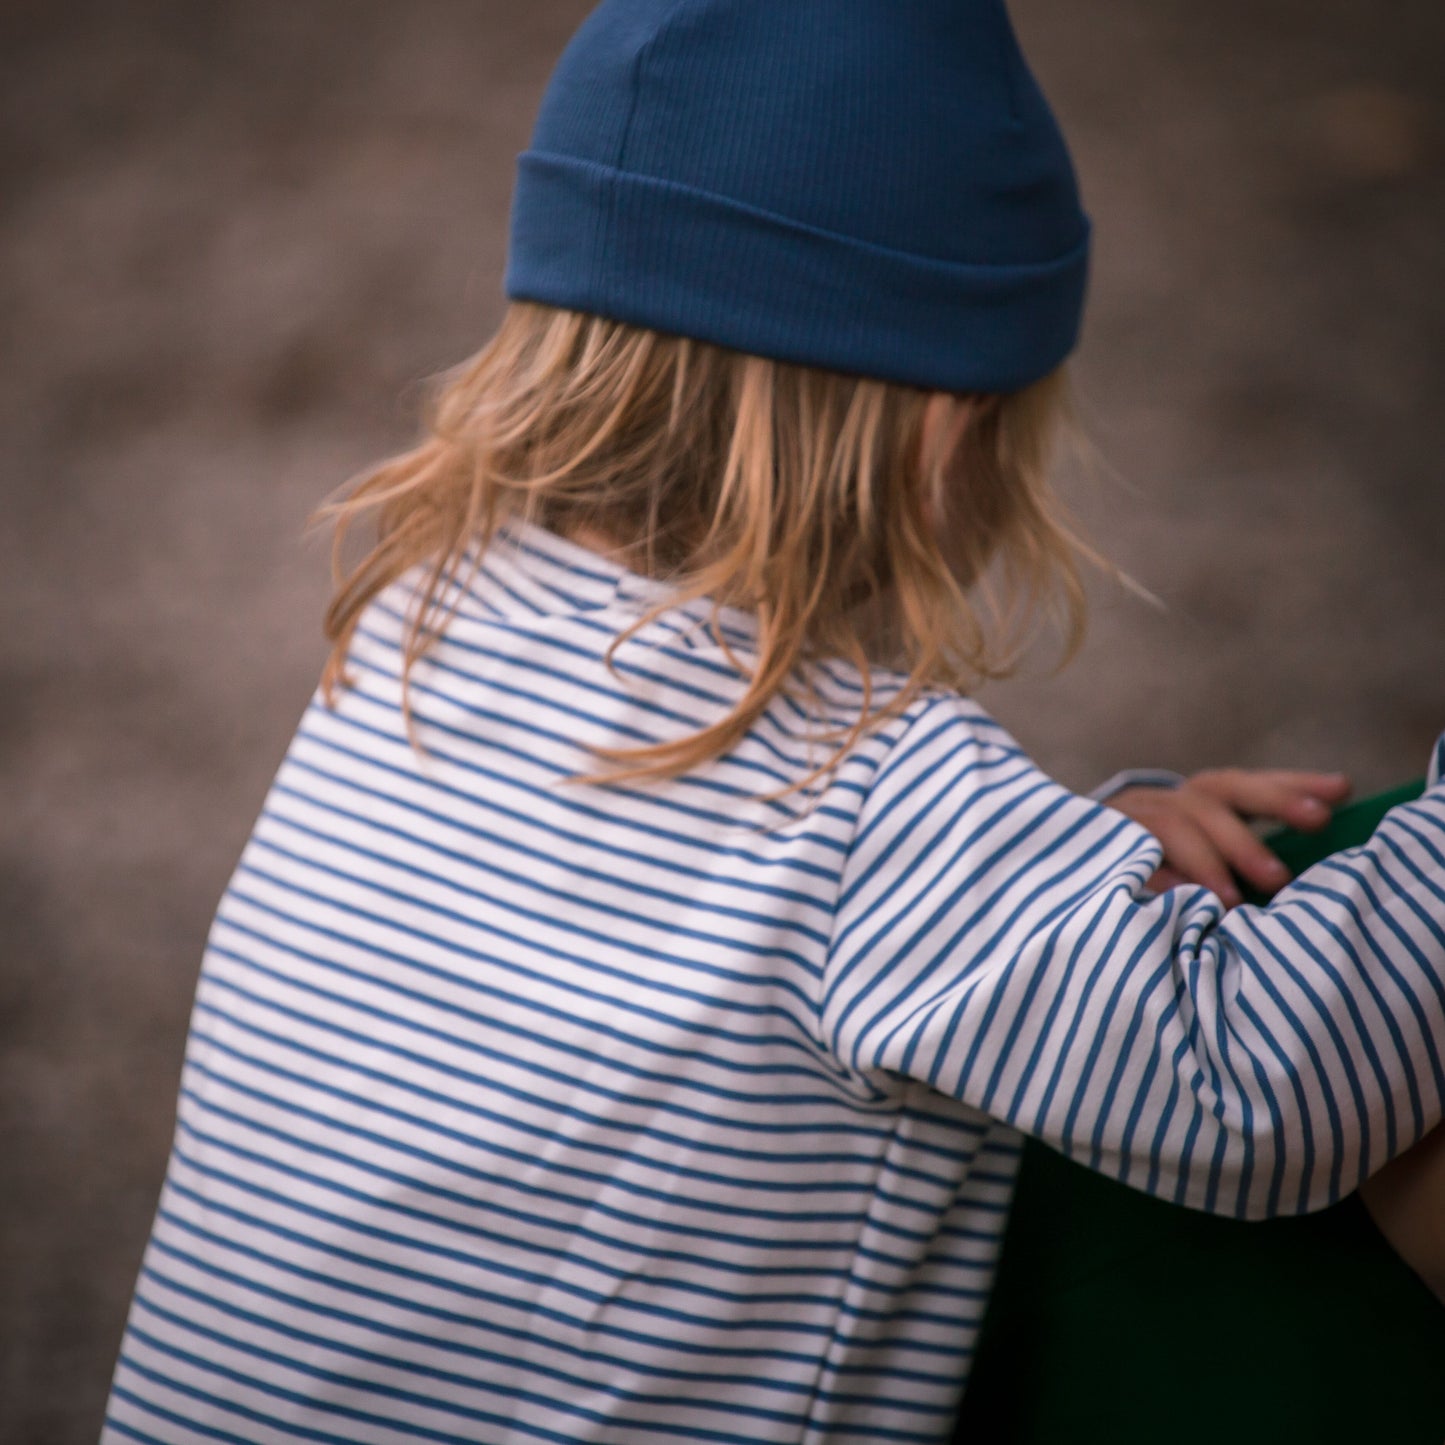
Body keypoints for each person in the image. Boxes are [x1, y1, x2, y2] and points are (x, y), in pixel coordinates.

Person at [101, 2, 1445, 1442]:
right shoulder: (873, 796)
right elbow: (1262, 1079)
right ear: (947, 429)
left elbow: (665, 918)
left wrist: (1064, 865)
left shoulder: (410, 630)